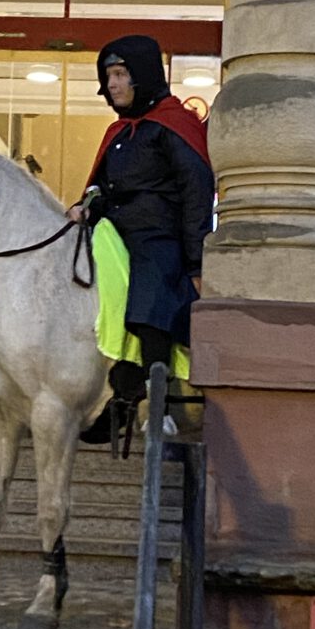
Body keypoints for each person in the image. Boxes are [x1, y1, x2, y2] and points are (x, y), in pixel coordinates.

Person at [69, 35, 215, 442]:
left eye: (119, 74)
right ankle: (109, 397)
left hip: (160, 237)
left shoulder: (174, 126)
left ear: (143, 75)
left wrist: (196, 263)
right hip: (114, 232)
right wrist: (84, 204)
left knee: (152, 290)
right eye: (107, 76)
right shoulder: (118, 133)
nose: (111, 85)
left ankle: (154, 407)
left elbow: (196, 193)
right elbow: (99, 187)